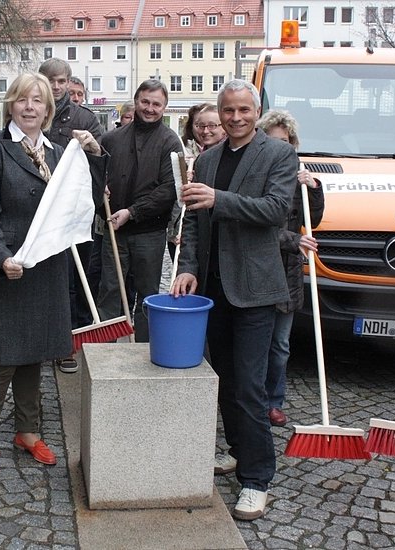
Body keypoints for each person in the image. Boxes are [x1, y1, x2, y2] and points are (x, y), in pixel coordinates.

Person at [171, 79, 298, 521]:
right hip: (213, 288)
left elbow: (275, 210)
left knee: (248, 385)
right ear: (220, 113)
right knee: (225, 380)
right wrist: (188, 266)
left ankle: (257, 479)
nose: (236, 117)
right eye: (229, 110)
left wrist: (218, 199)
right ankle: (239, 450)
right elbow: (193, 220)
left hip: (255, 290)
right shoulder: (207, 159)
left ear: (256, 111)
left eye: (244, 110)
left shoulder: (278, 154)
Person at [0, 73, 106, 475]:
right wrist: (0, 257)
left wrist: (95, 155)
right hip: (10, 265)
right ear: (10, 105)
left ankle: (27, 431)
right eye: (22, 99)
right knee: (2, 357)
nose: (29, 107)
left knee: (34, 352)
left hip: (46, 265)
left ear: (48, 109)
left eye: (38, 100)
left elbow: (85, 199)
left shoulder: (59, 152)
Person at [97, 79, 182, 342]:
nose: (150, 108)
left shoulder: (171, 142)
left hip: (150, 232)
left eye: (156, 104)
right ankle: (106, 350)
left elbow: (169, 190)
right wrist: (100, 189)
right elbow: (96, 176)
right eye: (145, 102)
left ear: (164, 107)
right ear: (136, 101)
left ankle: (145, 347)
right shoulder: (111, 139)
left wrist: (133, 212)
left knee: (148, 293)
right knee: (110, 290)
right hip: (114, 230)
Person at [256, 109, 325, 428]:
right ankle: (253, 400)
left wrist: (314, 188)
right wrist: (291, 240)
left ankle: (274, 401)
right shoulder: (257, 174)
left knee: (280, 345)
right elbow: (257, 227)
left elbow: (314, 219)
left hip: (288, 274)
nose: (280, 147)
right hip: (259, 269)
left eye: (285, 141)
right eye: (273, 141)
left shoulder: (298, 178)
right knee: (256, 343)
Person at [38, 58, 104, 372]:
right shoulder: (33, 112)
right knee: (41, 279)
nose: (56, 86)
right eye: (50, 80)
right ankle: (41, 339)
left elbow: (100, 165)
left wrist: (94, 149)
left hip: (74, 212)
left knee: (74, 280)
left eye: (61, 81)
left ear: (68, 82)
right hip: (37, 210)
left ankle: (68, 343)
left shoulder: (85, 118)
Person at [168, 103, 225, 259]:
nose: (205, 131)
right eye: (200, 126)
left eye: (212, 126)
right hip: (190, 231)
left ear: (223, 127)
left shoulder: (225, 156)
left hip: (214, 235)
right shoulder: (197, 156)